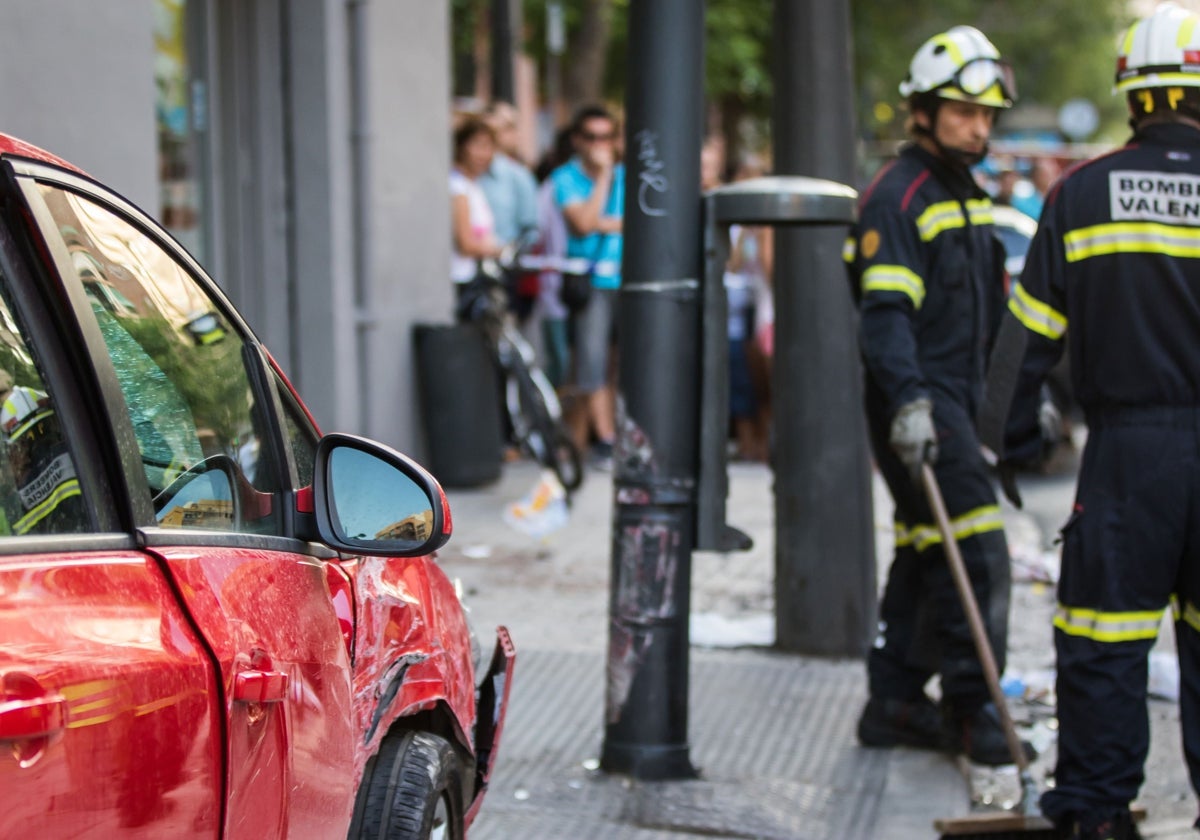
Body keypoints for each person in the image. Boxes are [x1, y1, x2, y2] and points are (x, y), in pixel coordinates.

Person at [983, 5, 1200, 837]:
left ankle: (1098, 816)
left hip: (1127, 459)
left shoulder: (1080, 195)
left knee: (1105, 646)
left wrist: (994, 442)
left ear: (1135, 97)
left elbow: (1025, 340)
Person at [844, 25, 1026, 767]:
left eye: (987, 115)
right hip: (917, 403)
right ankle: (975, 713)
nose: (978, 127)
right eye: (962, 111)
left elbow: (982, 314)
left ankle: (891, 702)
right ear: (923, 109)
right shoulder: (900, 195)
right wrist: (912, 404)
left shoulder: (962, 190)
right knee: (975, 550)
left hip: (949, 398)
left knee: (929, 552)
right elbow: (885, 320)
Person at [550, 105, 625, 466]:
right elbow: (583, 223)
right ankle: (606, 441)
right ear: (578, 140)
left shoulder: (631, 175)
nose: (600, 145)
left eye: (606, 137)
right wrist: (604, 177)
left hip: (623, 280)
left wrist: (603, 221)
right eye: (592, 137)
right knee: (589, 365)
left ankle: (576, 443)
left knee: (612, 367)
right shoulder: (565, 177)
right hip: (590, 282)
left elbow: (633, 224)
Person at [449, 115, 503, 313]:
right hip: (459, 282)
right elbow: (466, 243)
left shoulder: (474, 186)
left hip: (472, 277)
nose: (484, 154)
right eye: (478, 146)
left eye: (489, 147)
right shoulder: (457, 186)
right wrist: (500, 250)